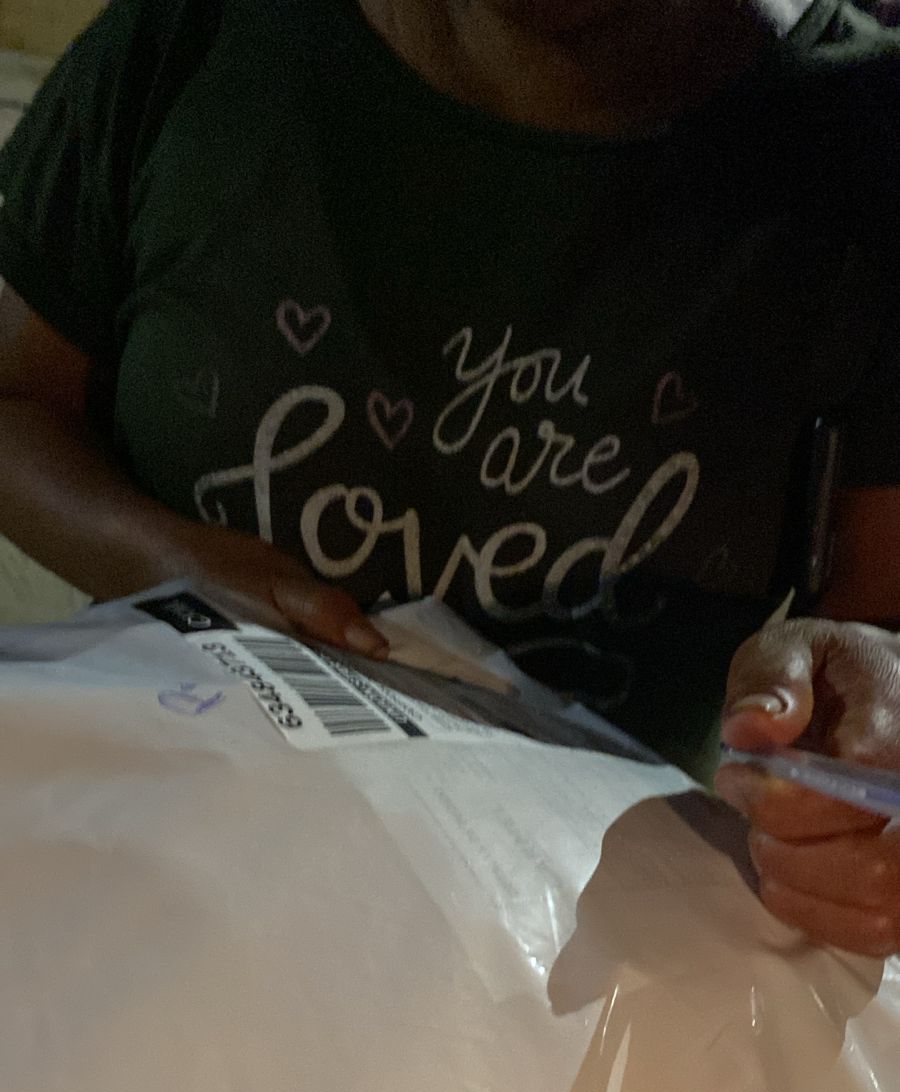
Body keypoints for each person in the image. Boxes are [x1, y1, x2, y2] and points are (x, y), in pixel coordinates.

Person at [0, 0, 898, 955]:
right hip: (137, 871)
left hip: (584, 961)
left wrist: (860, 747)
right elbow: (16, 400)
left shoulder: (865, 136)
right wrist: (173, 563)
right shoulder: (197, 37)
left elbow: (877, 618)